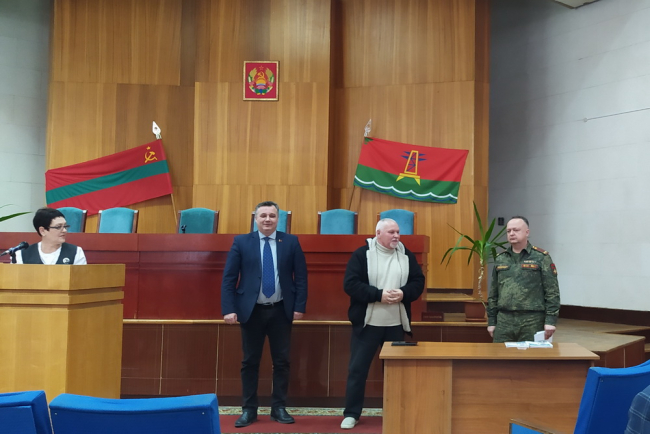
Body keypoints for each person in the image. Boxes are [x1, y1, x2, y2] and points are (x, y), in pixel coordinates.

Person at [221, 201, 308, 428]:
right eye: (263, 216)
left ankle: (278, 408)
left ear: (278, 219)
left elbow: (301, 277)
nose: (267, 219)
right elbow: (229, 278)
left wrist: (299, 306)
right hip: (251, 311)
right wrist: (229, 309)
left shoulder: (291, 242)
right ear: (255, 218)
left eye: (272, 215)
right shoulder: (241, 242)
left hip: (281, 310)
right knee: (250, 362)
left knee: (282, 361)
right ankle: (249, 409)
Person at [341, 218, 425, 430]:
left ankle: (397, 412)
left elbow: (418, 282)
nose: (396, 236)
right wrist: (378, 295)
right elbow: (350, 284)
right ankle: (351, 414)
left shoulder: (406, 255)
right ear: (378, 234)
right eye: (391, 232)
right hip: (368, 324)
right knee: (358, 370)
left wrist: (403, 293)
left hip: (396, 324)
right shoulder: (362, 254)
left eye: (398, 232)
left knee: (396, 373)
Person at [487, 216, 560, 343]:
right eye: (508, 231)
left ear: (527, 232)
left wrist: (550, 320)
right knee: (500, 354)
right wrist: (492, 321)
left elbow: (552, 291)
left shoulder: (541, 257)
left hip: (532, 320)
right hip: (504, 320)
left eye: (516, 230)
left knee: (532, 355)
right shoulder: (501, 258)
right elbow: (494, 292)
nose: (511, 233)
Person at [15, 207, 87, 265]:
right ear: (42, 231)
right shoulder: (22, 254)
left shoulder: (76, 252)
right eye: (58, 227)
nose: (64, 230)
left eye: (65, 226)